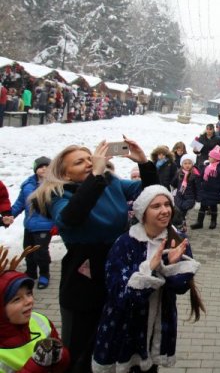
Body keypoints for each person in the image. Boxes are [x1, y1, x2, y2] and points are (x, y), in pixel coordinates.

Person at [29, 137, 158, 373]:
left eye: (90, 159)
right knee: (80, 351)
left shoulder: (110, 182)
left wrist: (144, 163)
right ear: (65, 174)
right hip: (83, 280)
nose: (89, 163)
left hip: (117, 273)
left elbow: (149, 195)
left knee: (113, 347)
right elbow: (71, 217)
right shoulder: (59, 194)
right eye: (80, 162)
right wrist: (96, 176)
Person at [92, 185, 203, 373]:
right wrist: (151, 268)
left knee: (151, 368)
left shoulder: (177, 240)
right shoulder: (125, 243)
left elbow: (180, 287)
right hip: (126, 324)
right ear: (143, 212)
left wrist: (169, 266)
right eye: (156, 206)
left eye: (167, 204)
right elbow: (120, 292)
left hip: (159, 323)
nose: (165, 210)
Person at [0, 246, 70, 373]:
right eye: (17, 299)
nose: (29, 301)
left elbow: (62, 365)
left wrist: (60, 356)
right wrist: (37, 365)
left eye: (29, 293)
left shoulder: (40, 320)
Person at [10, 157, 54, 289]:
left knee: (41, 252)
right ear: (35, 169)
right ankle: (31, 273)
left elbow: (58, 207)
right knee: (28, 251)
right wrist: (9, 215)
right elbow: (19, 203)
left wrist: (58, 224)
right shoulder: (27, 185)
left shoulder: (54, 185)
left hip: (44, 226)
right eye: (41, 167)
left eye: (47, 166)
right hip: (29, 225)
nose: (44, 169)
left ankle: (44, 274)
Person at [192, 145, 220, 230]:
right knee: (203, 206)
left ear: (215, 158)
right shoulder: (207, 165)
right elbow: (201, 175)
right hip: (205, 189)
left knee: (213, 206)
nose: (209, 157)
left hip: (215, 190)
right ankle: (199, 222)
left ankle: (213, 221)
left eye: (210, 157)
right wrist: (197, 179)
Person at [171, 154, 201, 232]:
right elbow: (174, 182)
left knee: (182, 213)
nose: (187, 165)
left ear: (192, 164)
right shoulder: (179, 172)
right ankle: (181, 226)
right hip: (179, 196)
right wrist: (172, 187)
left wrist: (198, 201)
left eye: (189, 163)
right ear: (182, 164)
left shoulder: (195, 174)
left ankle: (181, 228)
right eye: (185, 163)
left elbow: (198, 188)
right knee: (177, 212)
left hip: (189, 198)